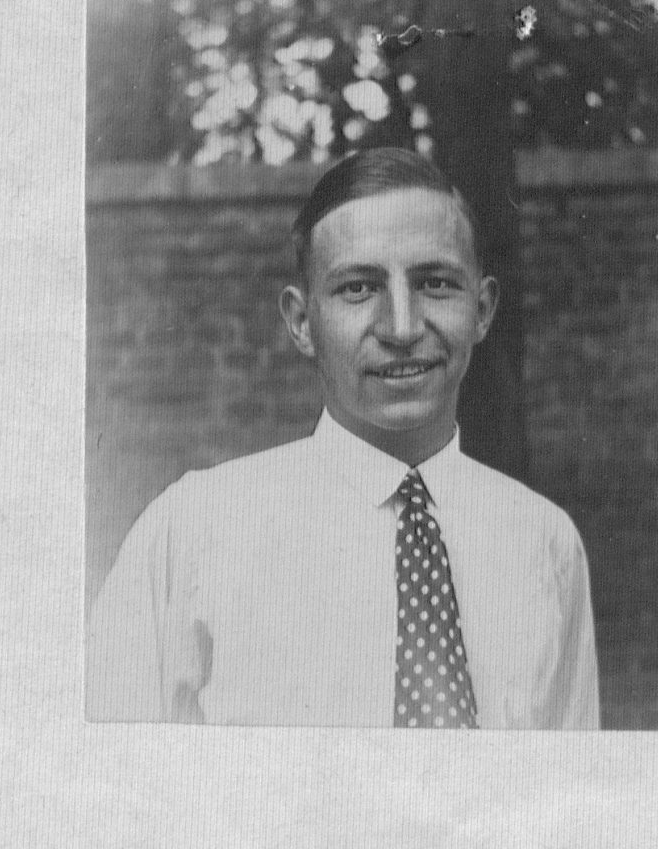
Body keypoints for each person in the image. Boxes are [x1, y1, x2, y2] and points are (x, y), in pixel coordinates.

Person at [86, 147, 600, 728]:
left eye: (435, 283)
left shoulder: (545, 543)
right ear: (302, 322)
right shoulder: (193, 533)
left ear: (481, 311)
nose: (402, 328)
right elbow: (108, 789)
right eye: (358, 288)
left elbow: (561, 799)